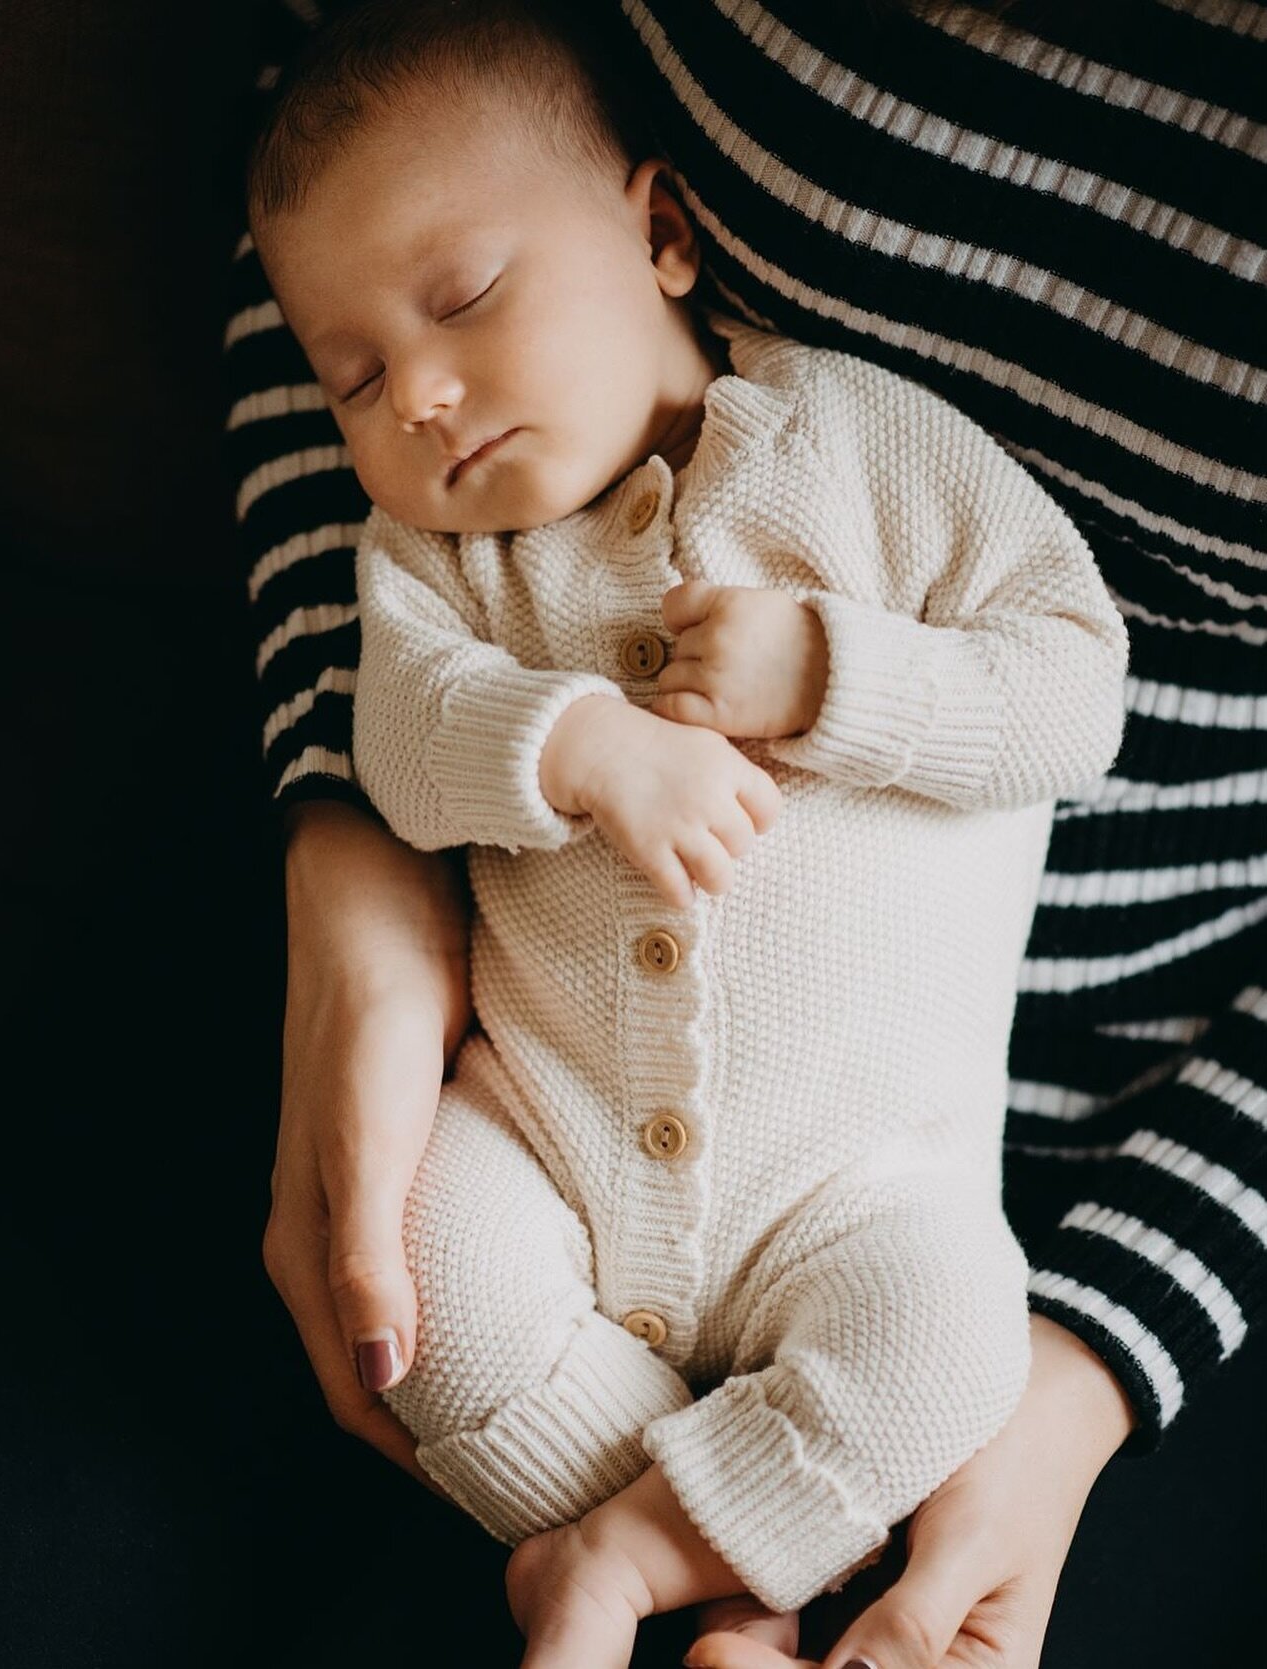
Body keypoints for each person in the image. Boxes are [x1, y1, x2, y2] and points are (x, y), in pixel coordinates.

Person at [228, 2, 1266, 1665]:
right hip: (549, 1118)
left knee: (948, 1351)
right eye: (348, 376)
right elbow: (402, 742)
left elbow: (1074, 694)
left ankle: (618, 1572)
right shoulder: (430, 560)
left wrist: (837, 670)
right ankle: (746, 1583)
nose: (413, 395)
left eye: (465, 301)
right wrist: (567, 740)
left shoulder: (860, 445)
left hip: (881, 1183)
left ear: (662, 233)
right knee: (423, 1290)